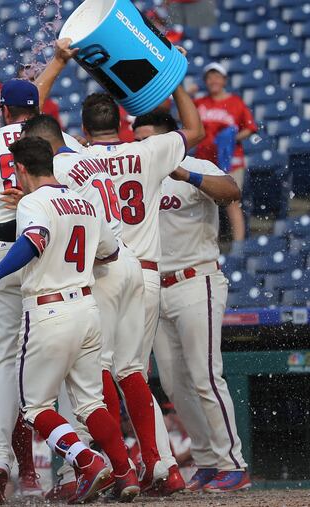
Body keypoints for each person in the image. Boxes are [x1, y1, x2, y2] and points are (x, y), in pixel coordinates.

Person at [0, 136, 139, 504]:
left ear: (22, 169)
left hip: (49, 310)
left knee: (35, 408)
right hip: (88, 309)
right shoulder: (84, 201)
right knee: (91, 404)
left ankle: (87, 461)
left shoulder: (33, 201)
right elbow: (108, 254)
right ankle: (125, 474)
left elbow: (34, 239)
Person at [19, 113, 167, 498]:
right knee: (130, 369)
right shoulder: (89, 158)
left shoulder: (54, 173)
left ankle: (85, 467)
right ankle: (149, 464)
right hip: (129, 260)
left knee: (84, 382)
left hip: (88, 277)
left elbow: (46, 231)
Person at [77, 54, 204, 491]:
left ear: (83, 130)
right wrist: (177, 82)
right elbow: (197, 131)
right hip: (147, 273)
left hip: (103, 273)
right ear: (121, 122)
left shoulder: (71, 160)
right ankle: (161, 466)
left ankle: (121, 468)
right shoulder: (148, 150)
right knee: (132, 369)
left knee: (99, 372)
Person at [0, 79, 81, 504]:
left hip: (3, 254)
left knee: (3, 364)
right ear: (39, 108)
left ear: (4, 110)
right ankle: (70, 470)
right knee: (61, 364)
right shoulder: (64, 142)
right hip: (56, 258)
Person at [133, 111, 251, 493]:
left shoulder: (194, 166)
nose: (142, 147)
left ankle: (233, 462)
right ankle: (205, 459)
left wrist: (184, 174)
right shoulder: (135, 174)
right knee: (173, 382)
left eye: (148, 139)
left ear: (170, 138)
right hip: (156, 285)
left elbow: (232, 192)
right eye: (138, 140)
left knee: (204, 375)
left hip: (195, 278)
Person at [194, 63, 257, 251]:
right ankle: (203, 245)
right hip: (204, 160)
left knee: (232, 203)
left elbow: (250, 127)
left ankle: (238, 247)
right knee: (202, 203)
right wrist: (189, 92)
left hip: (231, 161)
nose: (213, 81)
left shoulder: (236, 102)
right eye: (209, 77)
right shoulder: (200, 103)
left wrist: (231, 139)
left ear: (224, 80)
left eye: (217, 76)